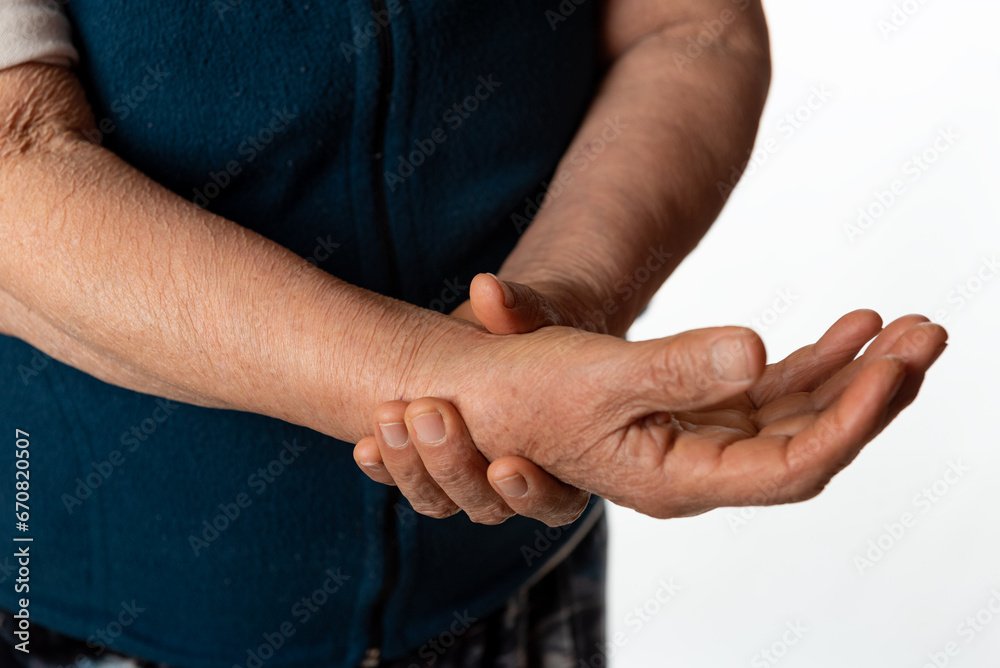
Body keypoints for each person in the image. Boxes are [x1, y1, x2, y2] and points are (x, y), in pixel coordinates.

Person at [0, 0, 946, 666]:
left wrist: (554, 308)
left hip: (515, 584)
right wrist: (473, 387)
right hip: (84, 611)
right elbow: (16, 159)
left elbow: (689, 25)